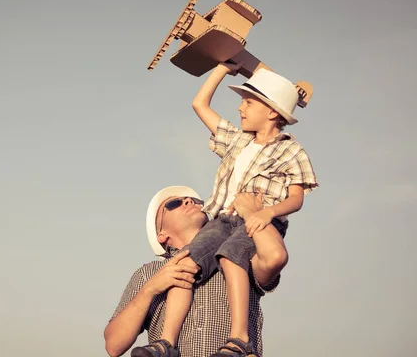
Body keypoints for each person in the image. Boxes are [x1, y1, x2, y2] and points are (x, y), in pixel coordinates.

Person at [134, 64, 318, 357]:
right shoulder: (238, 140)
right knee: (182, 263)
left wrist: (266, 214)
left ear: (271, 111)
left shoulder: (290, 150)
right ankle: (166, 342)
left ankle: (239, 339)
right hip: (222, 219)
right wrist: (223, 66)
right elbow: (199, 104)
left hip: (255, 220)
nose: (240, 108)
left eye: (248, 102)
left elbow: (296, 198)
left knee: (233, 259)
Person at [104, 186, 276, 357]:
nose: (190, 201)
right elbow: (114, 346)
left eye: (195, 200)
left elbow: (273, 258)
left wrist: (255, 214)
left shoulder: (236, 256)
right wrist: (150, 289)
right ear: (161, 235)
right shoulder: (148, 274)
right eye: (174, 203)